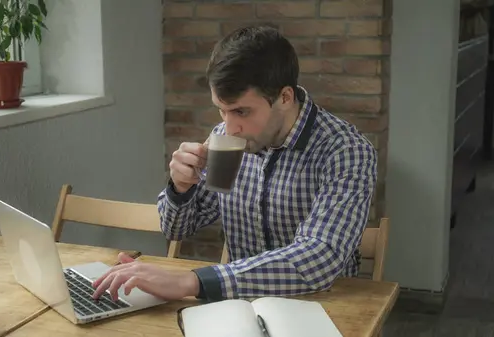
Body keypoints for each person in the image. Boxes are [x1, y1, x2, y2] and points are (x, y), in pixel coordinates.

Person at [91, 25, 378, 303]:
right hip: (241, 306)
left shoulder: (346, 151)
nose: (229, 128)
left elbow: (319, 257)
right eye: (221, 110)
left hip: (324, 305)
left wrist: (191, 281)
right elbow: (176, 230)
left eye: (241, 111)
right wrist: (180, 189)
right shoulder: (223, 138)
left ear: (285, 97)